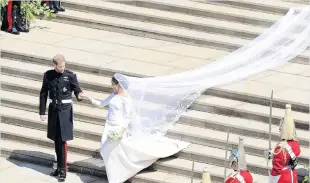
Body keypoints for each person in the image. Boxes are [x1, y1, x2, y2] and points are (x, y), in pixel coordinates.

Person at [82, 73, 190, 183]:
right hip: (108, 126)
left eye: (113, 84)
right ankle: (116, 174)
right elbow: (102, 104)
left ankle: (118, 176)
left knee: (111, 151)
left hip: (118, 128)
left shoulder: (126, 98)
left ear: (118, 84)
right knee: (106, 151)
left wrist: (121, 132)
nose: (111, 86)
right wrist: (89, 98)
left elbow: (127, 117)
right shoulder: (113, 94)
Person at [39, 54, 83, 182]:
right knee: (56, 139)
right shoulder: (48, 75)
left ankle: (63, 169)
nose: (62, 68)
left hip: (65, 110)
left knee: (63, 140)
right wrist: (42, 112)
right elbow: (43, 94)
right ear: (54, 65)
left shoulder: (70, 75)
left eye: (64, 66)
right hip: (53, 109)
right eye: (60, 66)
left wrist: (80, 95)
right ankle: (59, 167)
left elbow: (77, 89)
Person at [264, 104, 301, 183]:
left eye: (280, 130)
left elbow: (276, 169)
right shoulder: (295, 144)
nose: (279, 132)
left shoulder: (280, 149)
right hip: (292, 175)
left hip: (282, 178)